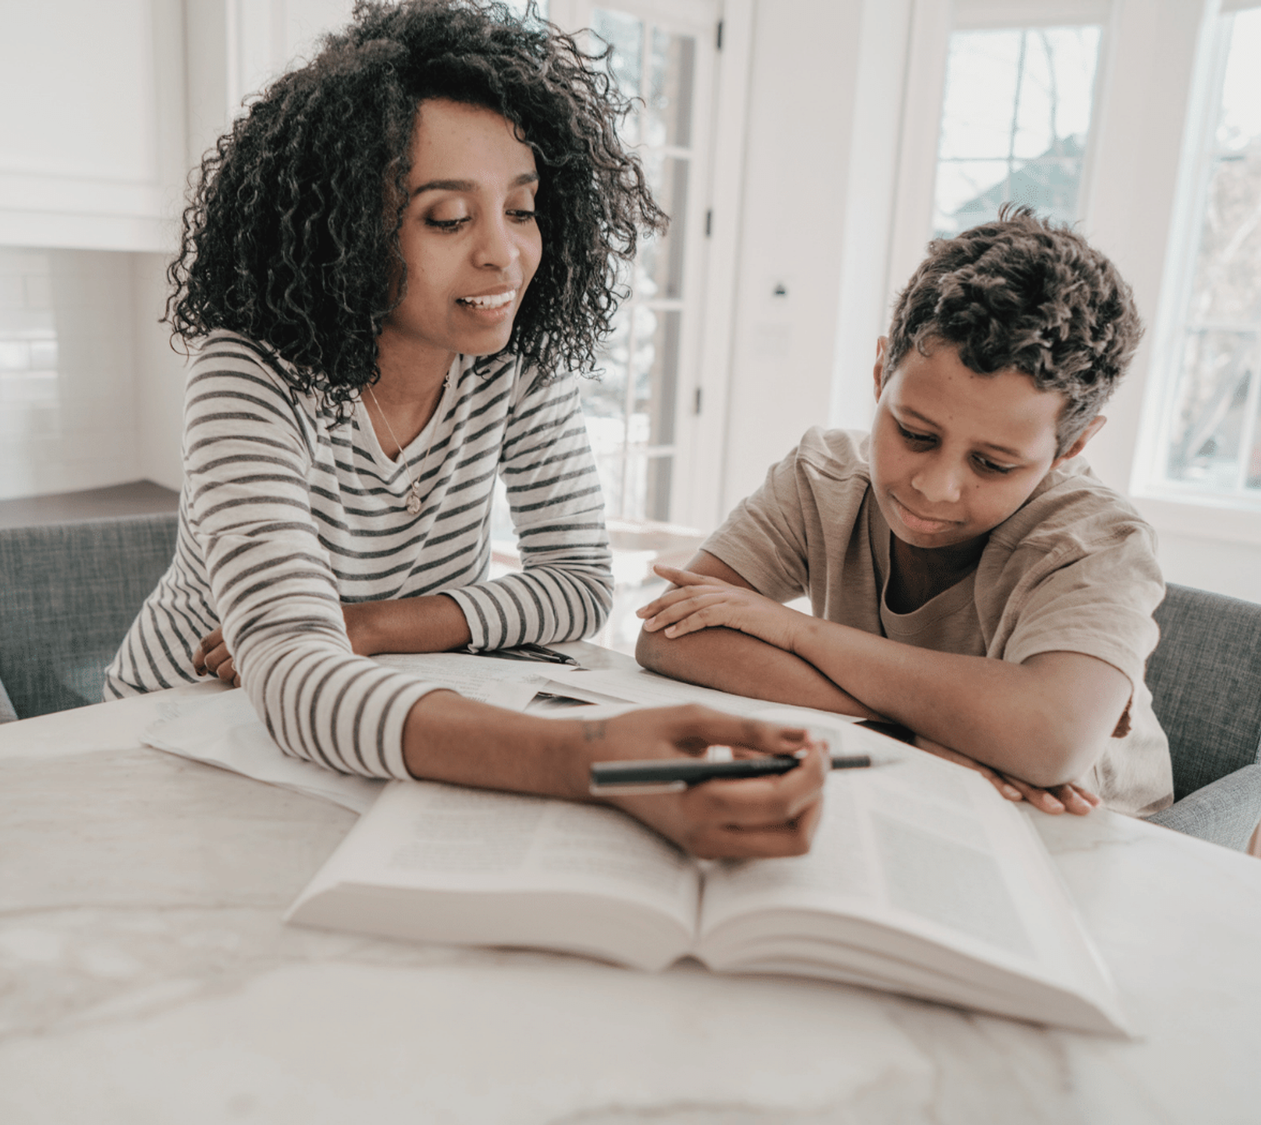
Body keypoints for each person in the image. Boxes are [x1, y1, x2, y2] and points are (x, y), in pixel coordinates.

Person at [106, 0, 828, 859]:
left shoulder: (511, 357)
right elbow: (293, 671)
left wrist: (373, 624)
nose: (504, 256)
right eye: (448, 218)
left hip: (383, 715)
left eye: (521, 210)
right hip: (178, 732)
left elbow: (578, 586)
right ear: (345, 233)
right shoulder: (250, 372)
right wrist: (596, 763)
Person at [635, 206, 1172, 820]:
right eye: (915, 433)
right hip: (914, 789)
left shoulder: (1098, 540)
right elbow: (670, 635)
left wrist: (796, 631)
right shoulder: (823, 476)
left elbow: (1048, 742)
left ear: (1071, 446)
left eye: (993, 465)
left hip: (1098, 835)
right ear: (880, 373)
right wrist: (912, 733)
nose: (936, 488)